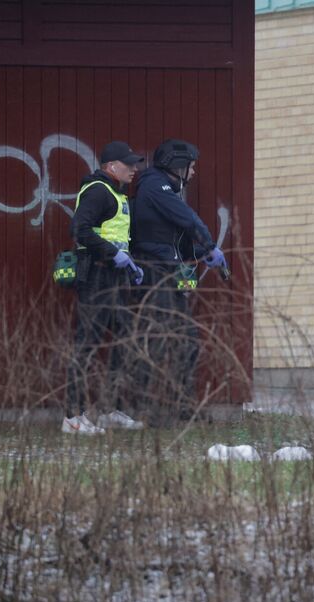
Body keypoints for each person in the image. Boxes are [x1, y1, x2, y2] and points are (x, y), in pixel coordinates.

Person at [129, 138, 228, 424]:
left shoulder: (165, 190)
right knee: (158, 341)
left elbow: (176, 241)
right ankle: (149, 410)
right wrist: (210, 245)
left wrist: (201, 254)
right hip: (154, 272)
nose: (193, 172)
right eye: (191, 166)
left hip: (168, 271)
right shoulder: (154, 186)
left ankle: (184, 406)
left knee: (186, 340)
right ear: (177, 165)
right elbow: (188, 219)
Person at [64, 141, 146, 434]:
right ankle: (73, 418)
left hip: (114, 277)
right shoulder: (98, 191)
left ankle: (110, 409)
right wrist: (113, 254)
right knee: (87, 345)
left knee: (123, 342)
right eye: (128, 164)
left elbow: (115, 237)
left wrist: (130, 265)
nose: (134, 169)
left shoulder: (116, 194)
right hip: (97, 276)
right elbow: (79, 229)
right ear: (111, 166)